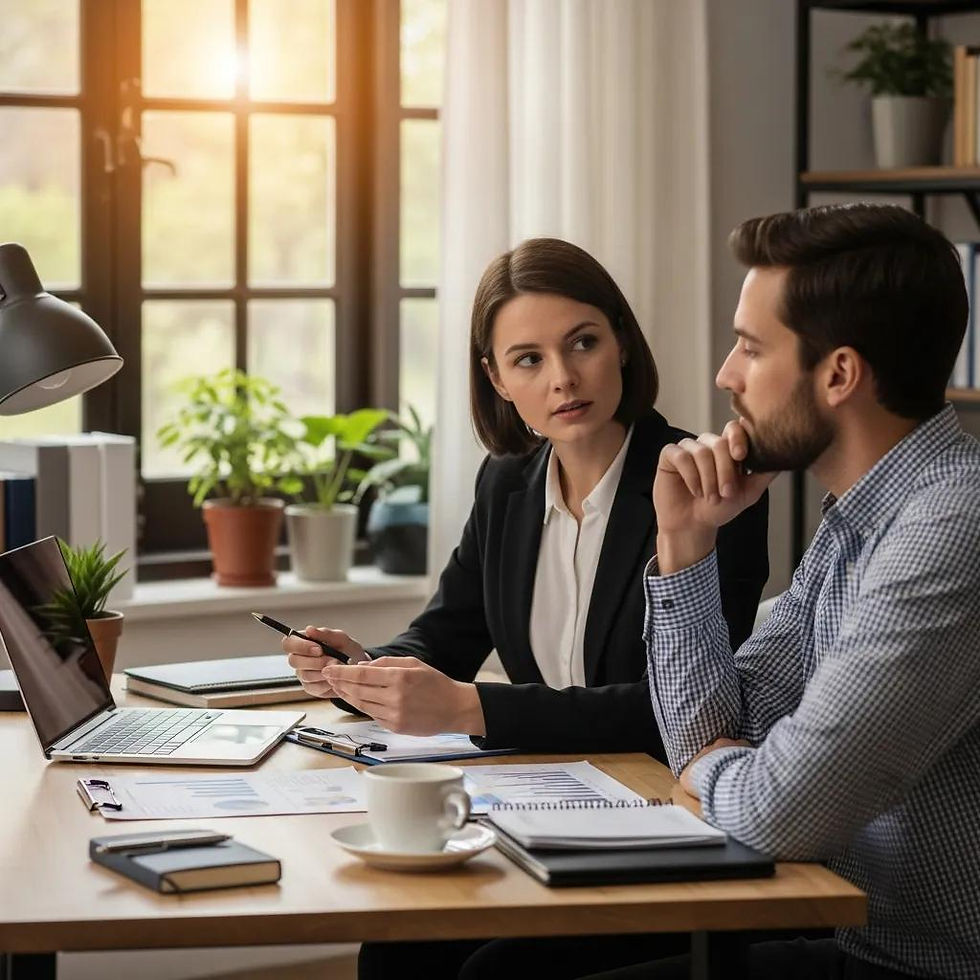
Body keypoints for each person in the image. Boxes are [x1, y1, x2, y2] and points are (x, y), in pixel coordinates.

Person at [283, 238, 770, 980]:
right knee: (393, 949)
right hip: (544, 807)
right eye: (529, 359)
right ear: (497, 380)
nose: (565, 378)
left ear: (622, 344)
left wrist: (474, 709)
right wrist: (364, 669)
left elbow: (674, 711)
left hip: (668, 817)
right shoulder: (507, 481)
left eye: (583, 343)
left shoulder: (701, 487)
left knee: (490, 971)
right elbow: (447, 630)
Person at [580, 203, 980, 980]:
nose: (727, 374)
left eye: (751, 348)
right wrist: (686, 541)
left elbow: (779, 808)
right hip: (857, 938)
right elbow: (722, 724)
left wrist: (712, 769)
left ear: (838, 374)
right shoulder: (859, 521)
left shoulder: (949, 529)